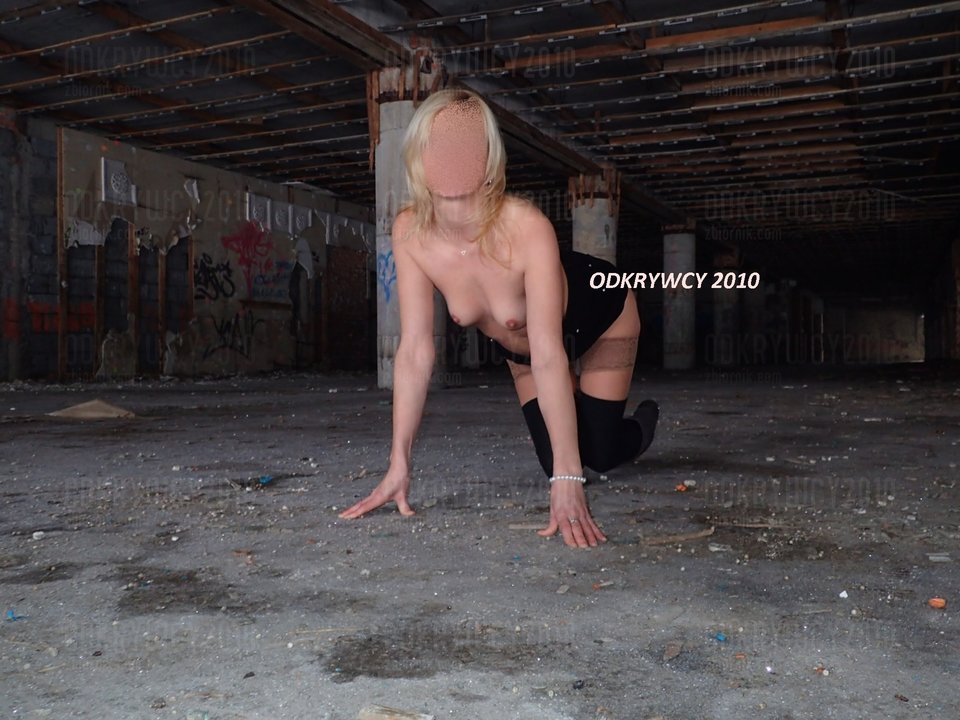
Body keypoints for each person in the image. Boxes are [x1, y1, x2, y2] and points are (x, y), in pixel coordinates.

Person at [339, 89, 659, 548]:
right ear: (419, 157)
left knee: (599, 457)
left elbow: (549, 353)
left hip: (603, 314)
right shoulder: (410, 231)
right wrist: (398, 464)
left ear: (488, 158)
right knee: (555, 461)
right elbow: (413, 351)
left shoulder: (526, 226)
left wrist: (570, 479)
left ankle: (645, 421)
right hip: (525, 351)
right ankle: (578, 425)